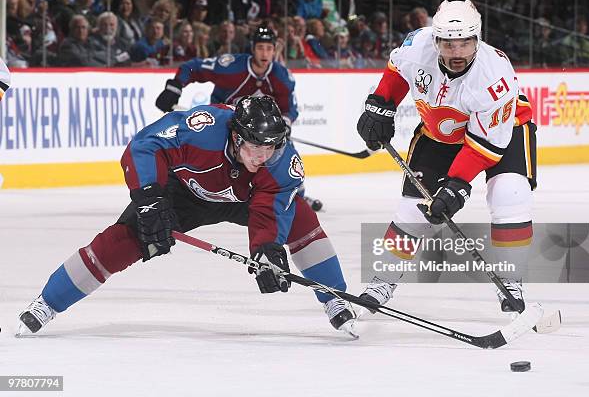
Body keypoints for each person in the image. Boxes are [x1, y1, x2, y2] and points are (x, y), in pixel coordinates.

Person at [17, 96, 356, 337]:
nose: (263, 157)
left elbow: (271, 205)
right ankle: (48, 303)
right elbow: (144, 145)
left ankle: (335, 299)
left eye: (270, 148)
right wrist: (149, 199)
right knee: (122, 241)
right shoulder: (202, 130)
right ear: (236, 137)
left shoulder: (279, 162)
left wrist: (266, 249)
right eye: (255, 148)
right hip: (181, 195)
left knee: (301, 218)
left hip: (244, 199)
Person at [356, 0, 536, 313]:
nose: (457, 52)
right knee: (413, 211)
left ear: (477, 39)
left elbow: (483, 148)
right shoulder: (418, 44)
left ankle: (511, 278)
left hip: (503, 132)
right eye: (449, 43)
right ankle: (381, 281)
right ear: (436, 40)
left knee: (509, 195)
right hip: (439, 132)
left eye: (465, 42)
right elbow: (397, 71)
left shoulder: (495, 77)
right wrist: (380, 105)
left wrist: (455, 187)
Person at [155, 26, 323, 212]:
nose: (264, 53)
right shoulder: (231, 67)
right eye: (260, 47)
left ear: (275, 50)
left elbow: (289, 108)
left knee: (284, 152)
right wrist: (175, 87)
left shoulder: (281, 76)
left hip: (259, 132)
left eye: (269, 48)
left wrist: (286, 123)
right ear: (252, 48)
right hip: (224, 126)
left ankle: (295, 196)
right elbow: (192, 67)